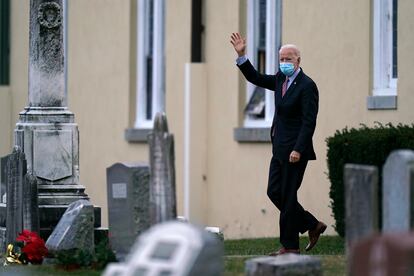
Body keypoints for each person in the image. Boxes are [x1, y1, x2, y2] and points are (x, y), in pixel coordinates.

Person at [230, 32, 326, 255]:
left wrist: (298, 149)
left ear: (298, 60)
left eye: (288, 59)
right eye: (281, 59)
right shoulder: (280, 79)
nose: (284, 63)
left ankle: (290, 246)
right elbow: (255, 78)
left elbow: (309, 122)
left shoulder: (307, 86)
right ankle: (312, 225)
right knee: (275, 192)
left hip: (295, 152)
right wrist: (242, 55)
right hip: (279, 149)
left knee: (288, 197)